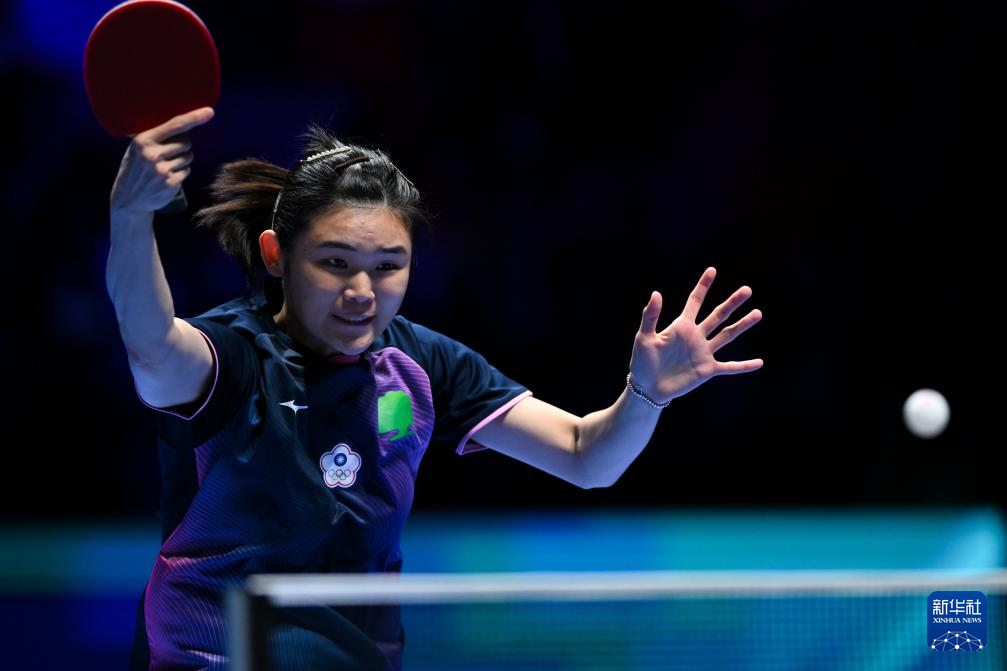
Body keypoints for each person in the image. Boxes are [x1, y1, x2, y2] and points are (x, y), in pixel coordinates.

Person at [107, 106, 764, 671]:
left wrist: (645, 394)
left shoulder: (419, 362)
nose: (361, 292)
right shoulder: (235, 356)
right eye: (335, 262)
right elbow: (153, 348)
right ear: (277, 255)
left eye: (387, 267)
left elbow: (586, 456)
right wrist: (131, 217)